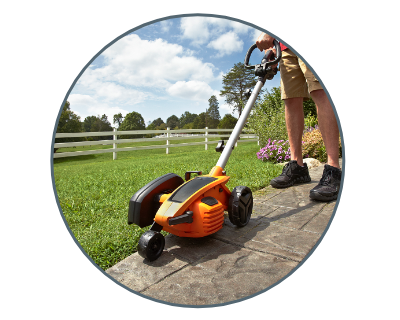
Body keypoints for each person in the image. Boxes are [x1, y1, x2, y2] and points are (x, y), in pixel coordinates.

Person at [256, 32, 342, 201]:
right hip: (284, 48)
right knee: (290, 98)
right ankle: (298, 166)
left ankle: (333, 168)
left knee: (320, 90)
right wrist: (275, 47)